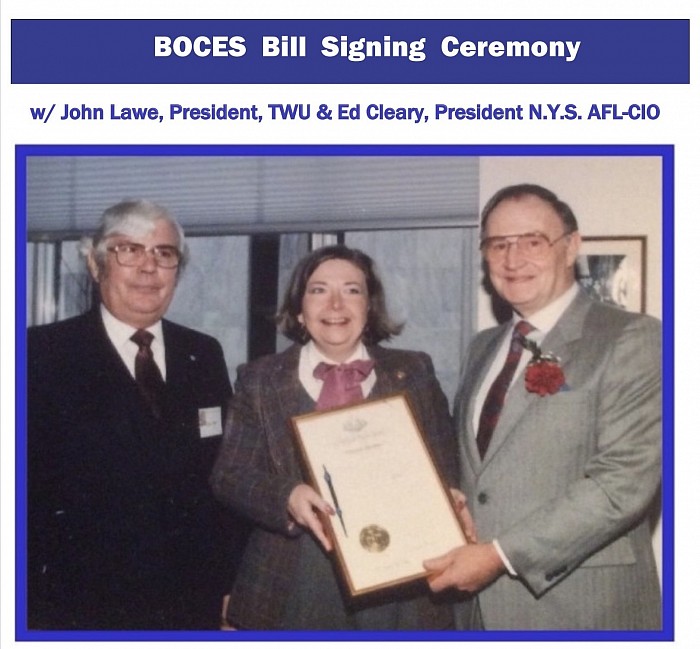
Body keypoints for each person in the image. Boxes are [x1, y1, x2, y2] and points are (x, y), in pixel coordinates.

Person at [424, 184, 662, 630]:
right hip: (477, 612)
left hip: (582, 611)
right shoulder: (483, 347)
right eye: (499, 245)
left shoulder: (634, 338)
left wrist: (500, 555)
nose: (513, 260)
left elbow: (623, 483)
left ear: (571, 247)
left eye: (533, 241)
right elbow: (484, 472)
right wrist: (450, 499)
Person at [210, 244, 459, 630]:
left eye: (352, 290)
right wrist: (287, 496)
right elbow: (230, 475)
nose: (336, 304)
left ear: (370, 307)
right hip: (295, 574)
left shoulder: (414, 370)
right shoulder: (259, 379)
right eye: (319, 289)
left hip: (401, 576)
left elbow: (446, 466)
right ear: (299, 309)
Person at [27, 200, 244, 630]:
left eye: (164, 254)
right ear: (94, 264)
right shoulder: (38, 355)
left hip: (191, 605)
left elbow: (223, 476)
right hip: (78, 609)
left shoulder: (203, 352)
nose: (149, 268)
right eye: (128, 250)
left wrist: (230, 584)